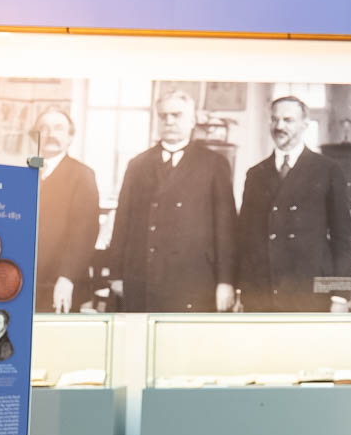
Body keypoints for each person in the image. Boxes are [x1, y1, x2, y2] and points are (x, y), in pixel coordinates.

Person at [108, 90, 236, 312]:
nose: (169, 121)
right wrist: (116, 275)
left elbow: (226, 229)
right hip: (142, 276)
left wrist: (226, 281)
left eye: (176, 115)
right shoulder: (138, 165)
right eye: (163, 116)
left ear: (192, 120)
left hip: (193, 279)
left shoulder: (213, 164)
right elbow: (122, 223)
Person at [236, 96, 351, 311]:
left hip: (310, 291)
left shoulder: (328, 170)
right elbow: (244, 238)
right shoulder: (255, 174)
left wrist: (340, 296)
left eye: (288, 120)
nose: (279, 126)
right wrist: (240, 290)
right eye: (274, 119)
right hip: (262, 292)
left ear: (305, 124)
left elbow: (342, 238)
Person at [33, 108, 100, 313]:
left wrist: (67, 277)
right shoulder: (22, 171)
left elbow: (85, 233)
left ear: (70, 137)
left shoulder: (82, 175)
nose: (51, 134)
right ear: (35, 136)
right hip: (26, 279)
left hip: (61, 282)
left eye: (58, 128)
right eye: (44, 128)